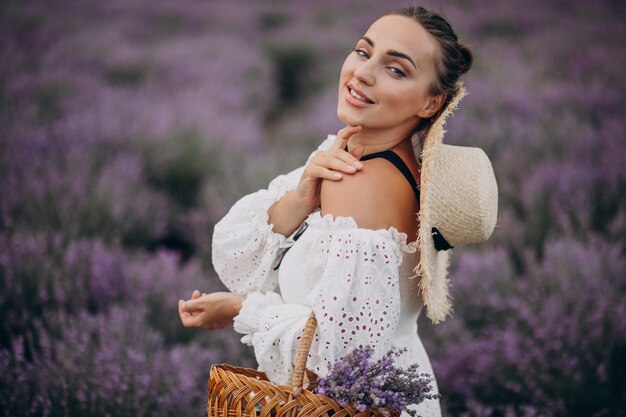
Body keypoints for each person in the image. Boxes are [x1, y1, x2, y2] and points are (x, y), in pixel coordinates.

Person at [179, 6, 498, 416]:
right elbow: (240, 256)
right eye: (364, 52)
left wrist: (241, 310)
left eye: (396, 70)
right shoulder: (354, 153)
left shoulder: (363, 186)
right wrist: (300, 198)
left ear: (430, 103)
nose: (363, 73)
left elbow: (342, 361)